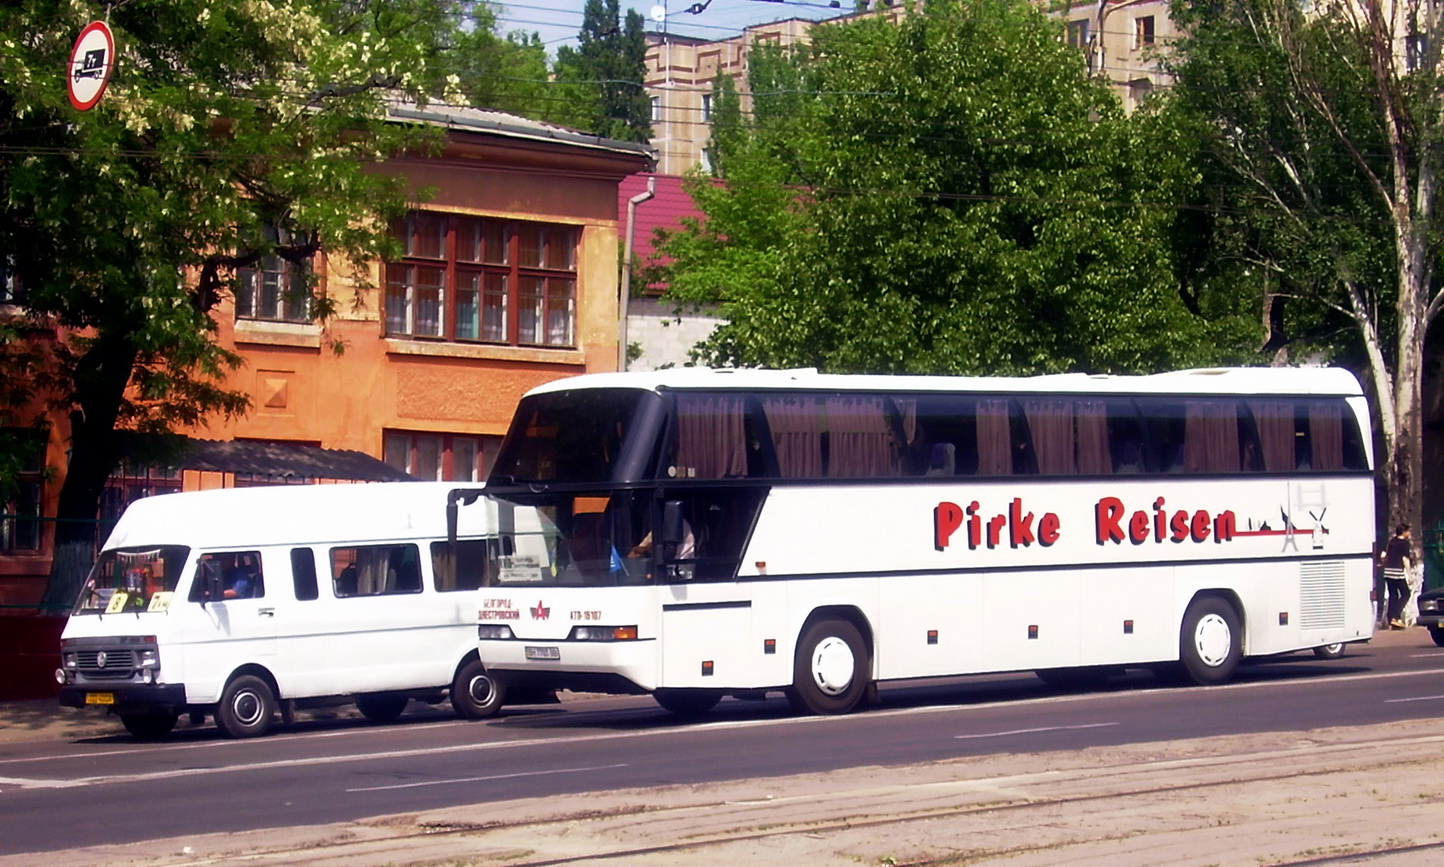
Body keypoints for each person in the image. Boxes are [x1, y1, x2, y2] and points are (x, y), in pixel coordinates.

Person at [1380, 524, 1412, 630]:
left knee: (1393, 595)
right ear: (1404, 532)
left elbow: (1385, 555)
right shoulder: (1404, 543)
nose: (1409, 533)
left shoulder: (1392, 541)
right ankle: (1395, 616)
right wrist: (1409, 574)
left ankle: (1391, 620)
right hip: (1397, 571)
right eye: (1408, 531)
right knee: (1406, 593)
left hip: (1388, 571)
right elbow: (1405, 559)